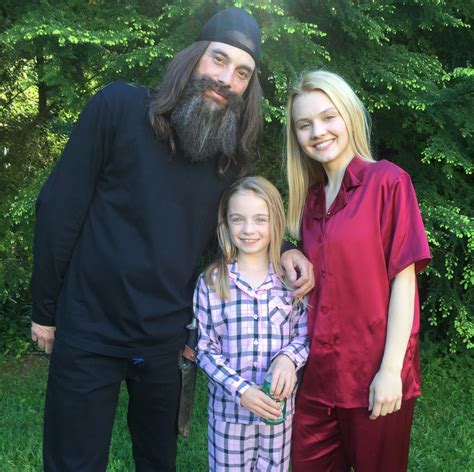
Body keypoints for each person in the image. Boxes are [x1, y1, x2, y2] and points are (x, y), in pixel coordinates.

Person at [29, 8, 314, 472]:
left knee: (158, 460)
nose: (226, 79)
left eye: (242, 73)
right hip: (89, 328)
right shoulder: (117, 107)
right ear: (192, 56)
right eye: (218, 59)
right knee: (73, 462)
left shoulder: (228, 159)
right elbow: (59, 208)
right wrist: (45, 310)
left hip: (164, 341)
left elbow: (235, 231)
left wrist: (285, 250)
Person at [285, 70, 431, 472]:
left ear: (349, 115)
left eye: (328, 117)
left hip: (374, 376)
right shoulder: (310, 201)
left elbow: (404, 282)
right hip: (317, 379)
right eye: (304, 124)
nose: (318, 131)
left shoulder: (388, 181)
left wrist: (391, 371)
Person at [194, 176, 309, 471]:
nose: (248, 230)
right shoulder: (211, 283)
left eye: (260, 219)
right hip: (229, 418)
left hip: (278, 416)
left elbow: (304, 335)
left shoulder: (290, 281)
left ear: (276, 222)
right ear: (225, 224)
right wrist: (241, 390)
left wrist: (288, 359)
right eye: (238, 219)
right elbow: (204, 350)